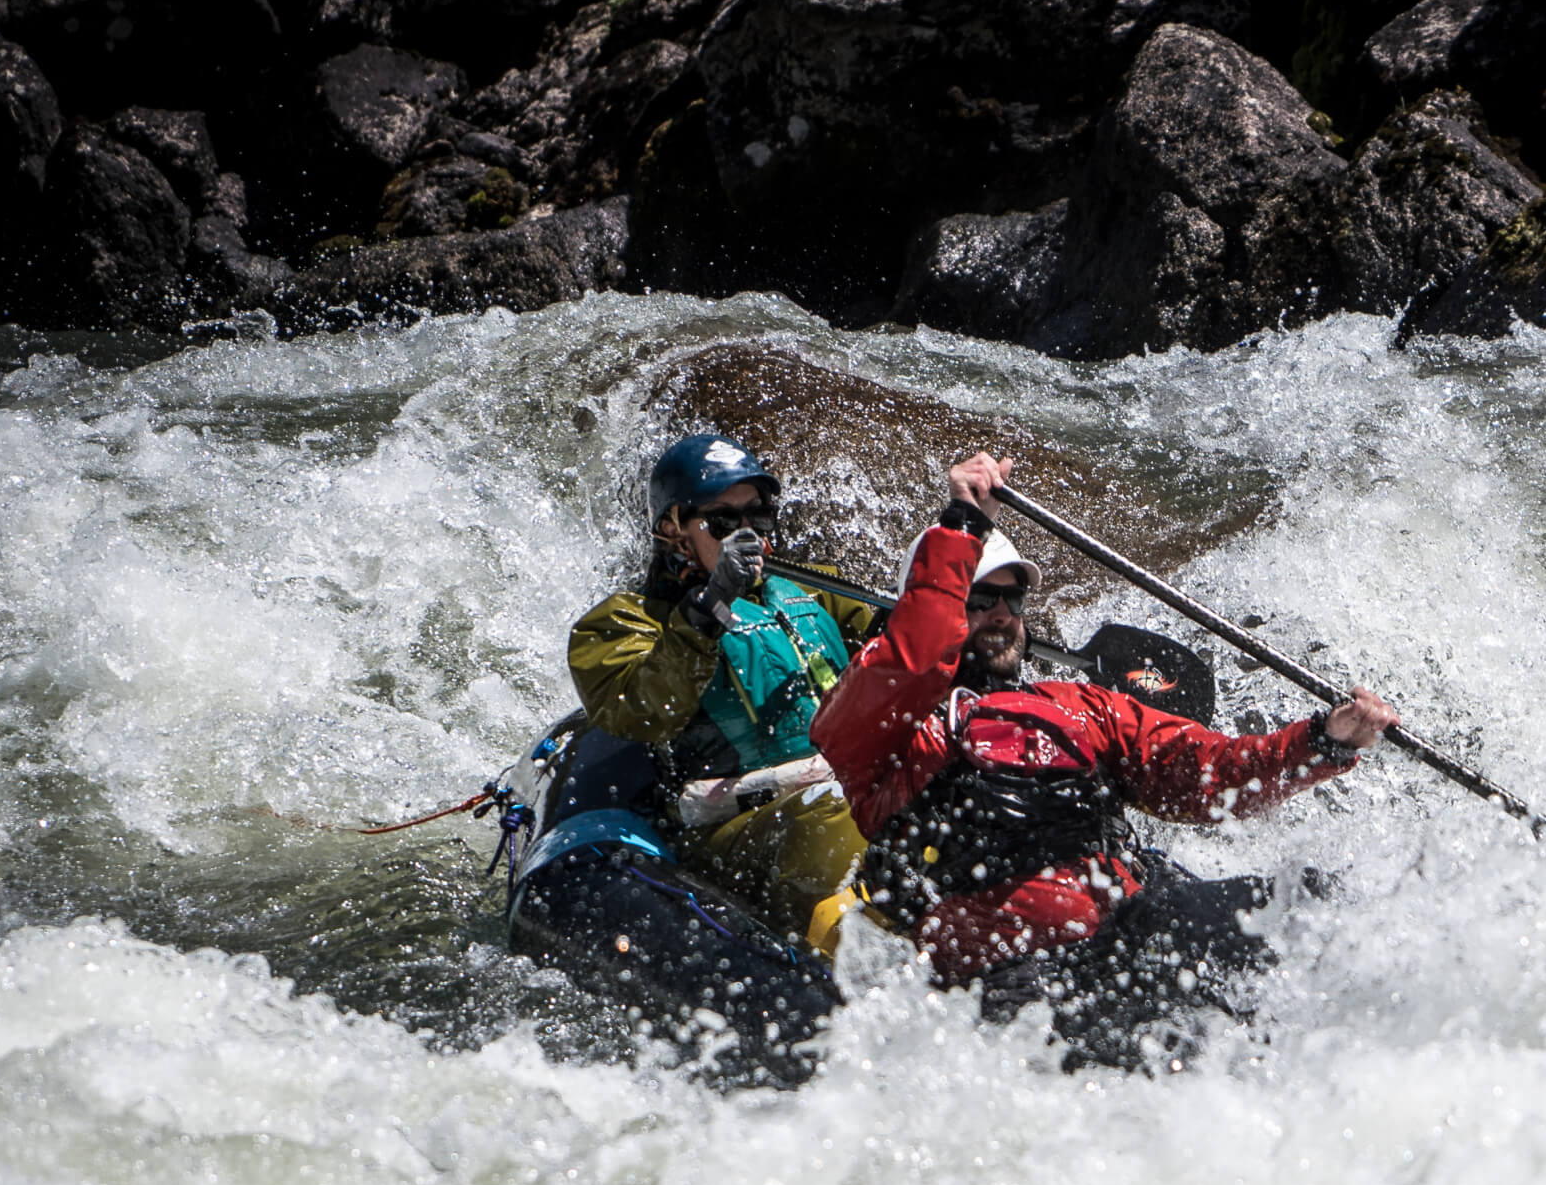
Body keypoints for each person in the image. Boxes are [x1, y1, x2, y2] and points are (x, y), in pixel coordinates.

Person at [809, 450, 1399, 1065]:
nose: (1003, 616)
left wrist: (1324, 743)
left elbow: (1210, 773)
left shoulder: (1076, 706)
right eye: (981, 600)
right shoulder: (888, 729)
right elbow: (911, 655)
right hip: (1010, 974)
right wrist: (962, 522)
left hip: (1129, 927)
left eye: (1012, 601)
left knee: (1305, 903)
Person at [567, 432, 876, 941]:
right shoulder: (623, 623)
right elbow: (644, 710)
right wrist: (710, 607)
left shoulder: (817, 590)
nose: (746, 534)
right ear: (673, 529)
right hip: (730, 833)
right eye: (723, 521)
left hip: (843, 791)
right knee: (831, 809)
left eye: (757, 515)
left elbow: (906, 653)